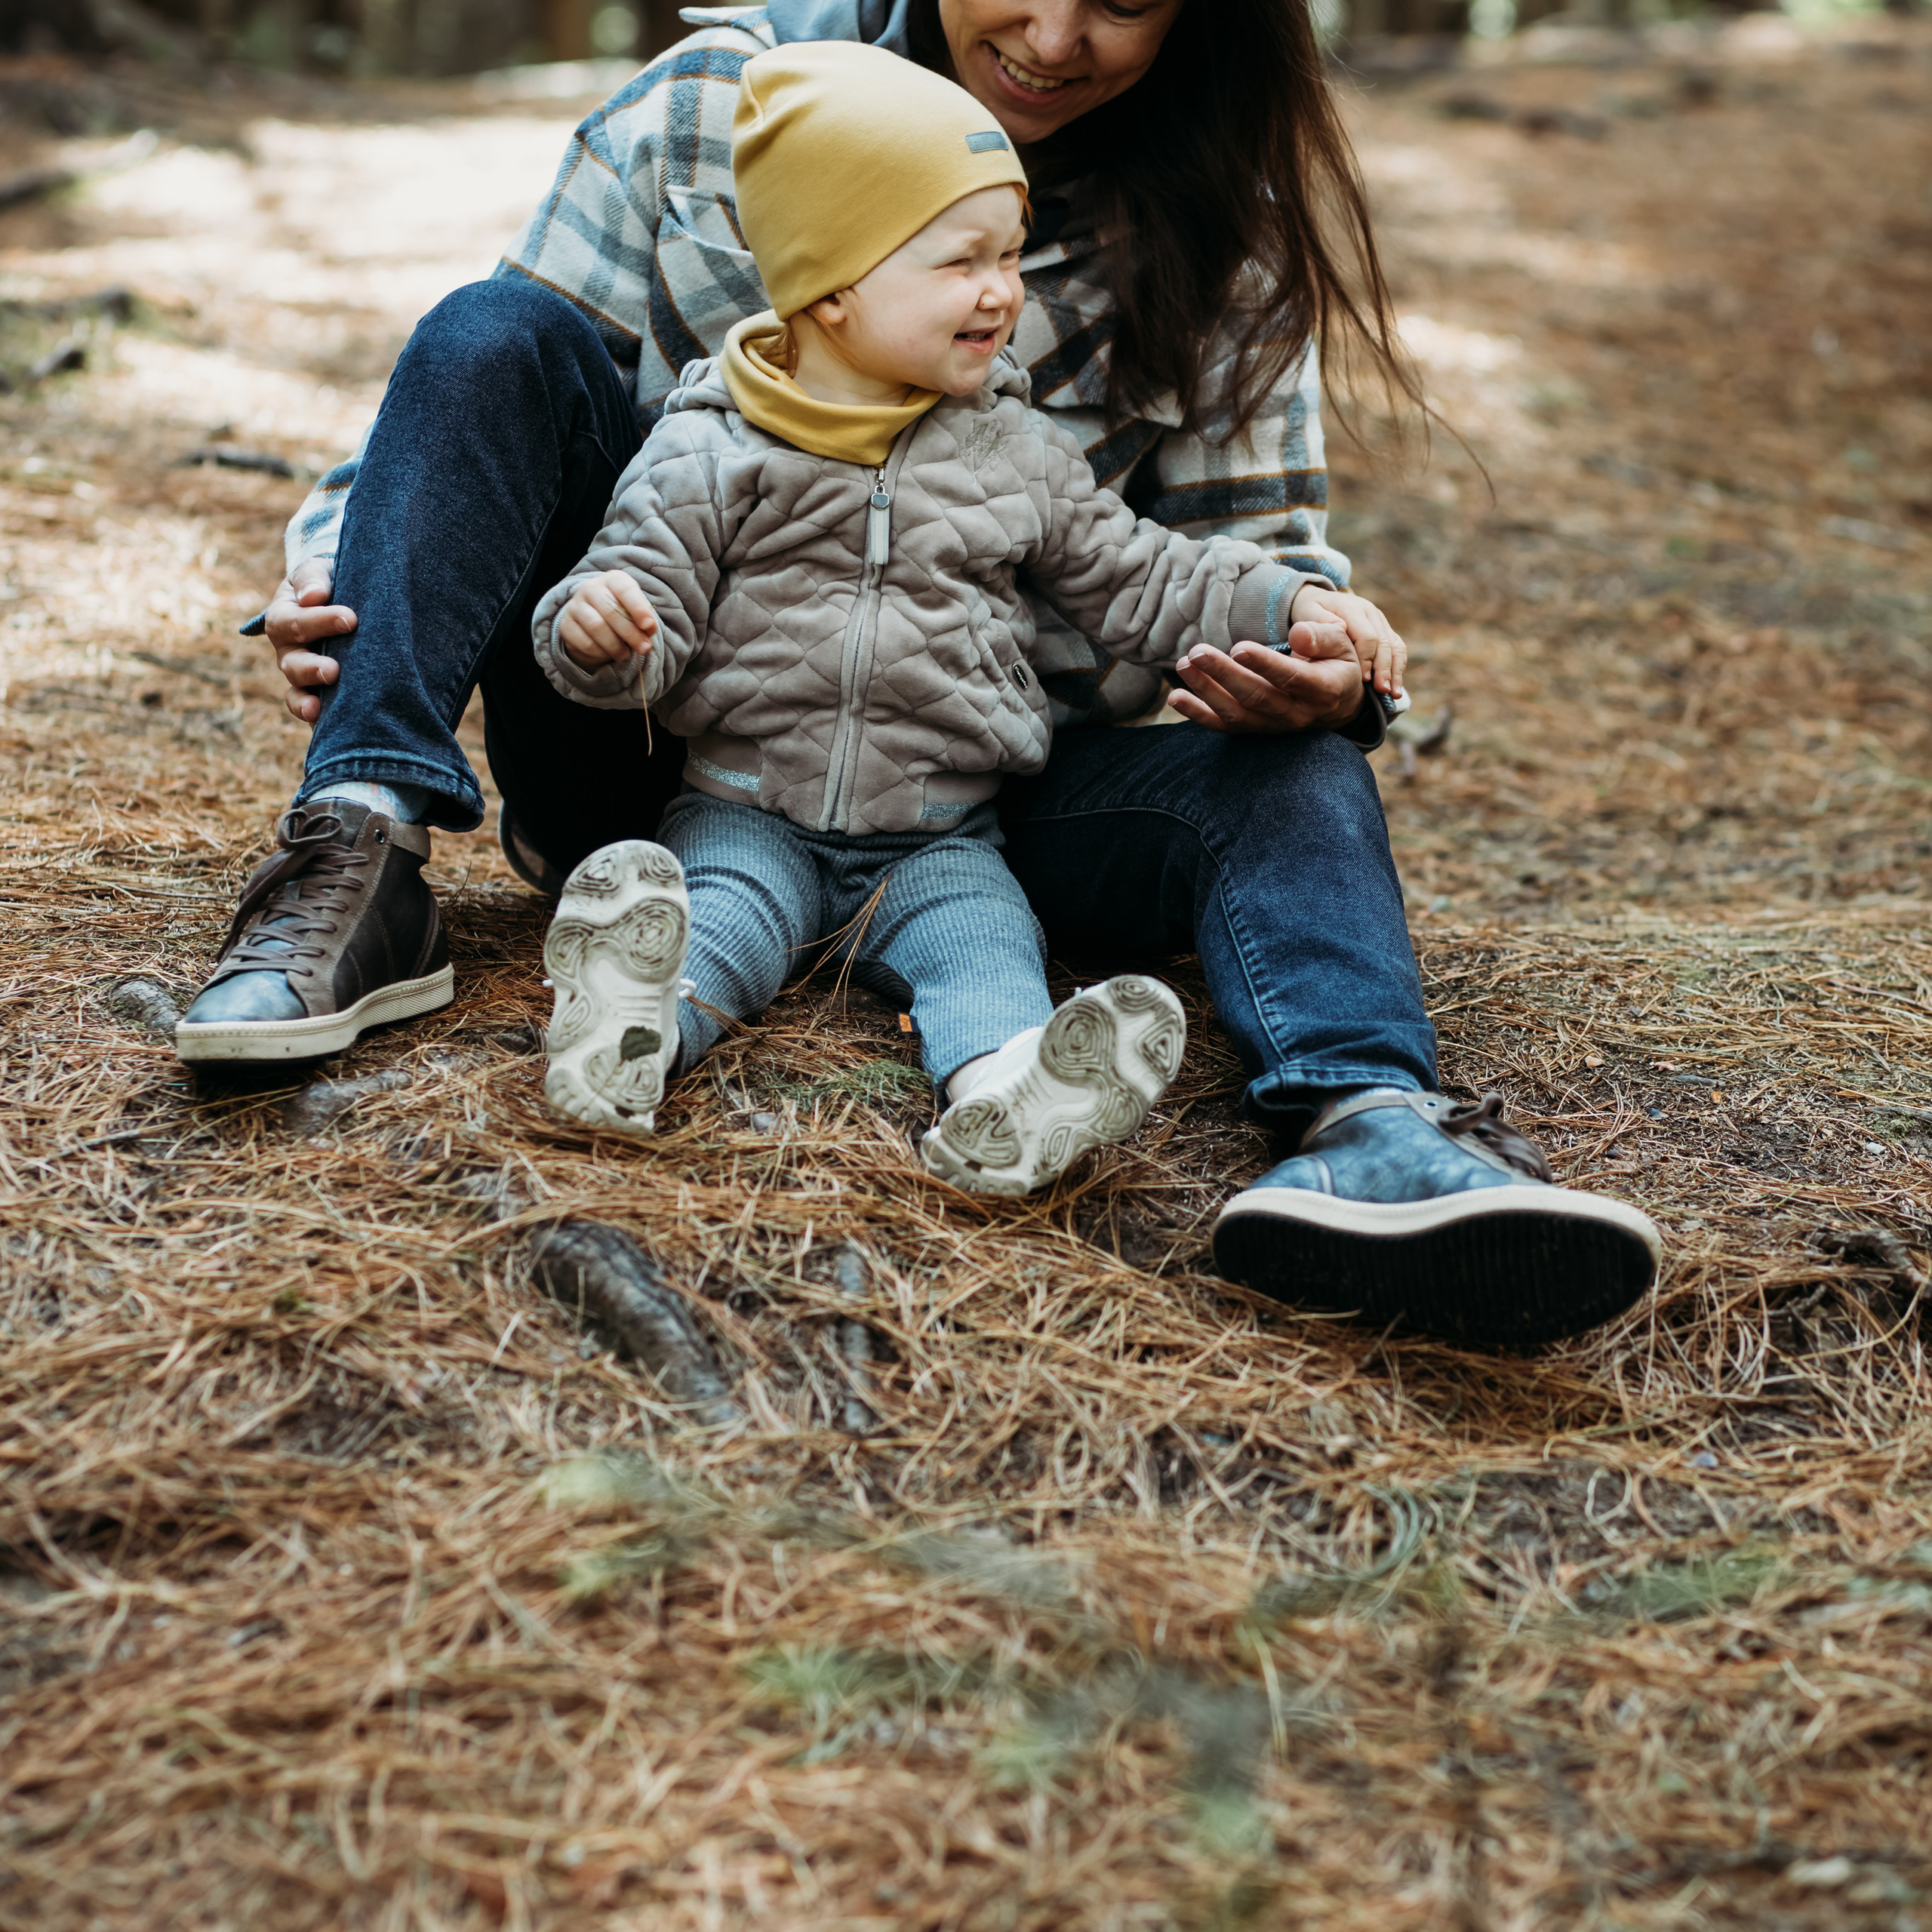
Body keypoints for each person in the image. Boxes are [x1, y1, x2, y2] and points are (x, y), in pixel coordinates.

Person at [177, 0, 1660, 1349]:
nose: (1060, 35)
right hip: (668, 742)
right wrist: (345, 569)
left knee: (1296, 764)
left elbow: (1206, 567)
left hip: (986, 796)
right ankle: (365, 856)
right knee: (492, 326)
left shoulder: (1209, 250)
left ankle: (1367, 1126)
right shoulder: (709, 109)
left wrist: (1317, 645)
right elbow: (475, 399)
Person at [531, 41, 1389, 1195]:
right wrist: (601, 634)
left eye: (1009, 257)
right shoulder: (711, 445)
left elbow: (1144, 577)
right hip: (748, 809)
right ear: (833, 284)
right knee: (709, 934)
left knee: (987, 955)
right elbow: (646, 603)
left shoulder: (1013, 451)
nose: (1002, 291)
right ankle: (625, 1041)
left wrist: (1291, 601)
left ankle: (1005, 1099)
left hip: (943, 836)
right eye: (961, 261)